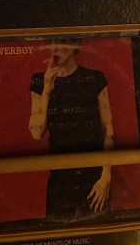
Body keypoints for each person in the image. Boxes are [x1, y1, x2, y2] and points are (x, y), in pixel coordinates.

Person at [29, 38, 114, 220]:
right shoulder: (40, 80)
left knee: (98, 228)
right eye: (52, 43)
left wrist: (106, 175)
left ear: (75, 45)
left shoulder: (95, 78)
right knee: (57, 230)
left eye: (62, 42)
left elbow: (108, 131)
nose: (56, 48)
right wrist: (47, 90)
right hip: (60, 175)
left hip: (94, 173)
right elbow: (36, 132)